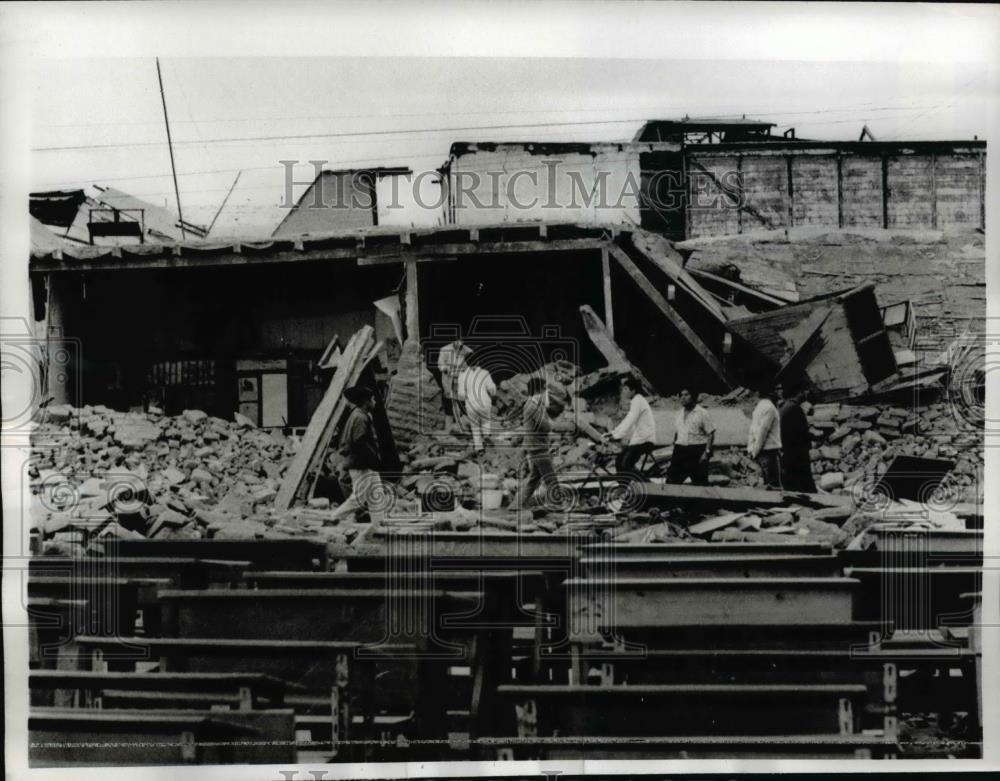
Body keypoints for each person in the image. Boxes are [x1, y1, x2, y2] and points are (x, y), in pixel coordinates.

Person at [328, 385, 384, 522]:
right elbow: (359, 441)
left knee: (377, 495)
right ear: (366, 402)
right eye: (373, 399)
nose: (375, 401)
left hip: (365, 464)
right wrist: (373, 459)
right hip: (361, 464)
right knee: (358, 499)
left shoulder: (360, 414)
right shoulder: (360, 417)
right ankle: (332, 517)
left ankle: (378, 525)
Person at [513, 376, 558, 511]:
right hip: (538, 448)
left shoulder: (532, 404)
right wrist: (553, 425)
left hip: (535, 447)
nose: (547, 393)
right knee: (551, 478)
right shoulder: (533, 406)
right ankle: (558, 503)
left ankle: (515, 505)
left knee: (534, 480)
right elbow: (546, 427)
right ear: (540, 390)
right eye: (545, 389)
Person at [608, 376, 656, 474]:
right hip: (639, 440)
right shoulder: (635, 401)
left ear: (633, 391)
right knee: (619, 462)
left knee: (626, 464)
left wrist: (616, 435)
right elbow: (627, 420)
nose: (623, 391)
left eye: (626, 389)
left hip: (644, 440)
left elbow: (630, 420)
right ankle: (624, 483)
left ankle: (645, 482)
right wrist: (613, 433)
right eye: (623, 389)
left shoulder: (638, 400)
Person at [666, 389, 715, 485]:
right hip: (679, 451)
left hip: (696, 451)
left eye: (686, 395)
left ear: (693, 397)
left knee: (700, 484)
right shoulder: (679, 413)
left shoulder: (702, 412)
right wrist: (674, 447)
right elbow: (677, 432)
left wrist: (706, 452)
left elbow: (711, 433)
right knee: (671, 482)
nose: (683, 398)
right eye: (681, 395)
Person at [780, 386, 817, 493]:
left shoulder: (785, 407)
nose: (806, 394)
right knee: (805, 486)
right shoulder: (795, 408)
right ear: (798, 393)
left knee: (792, 485)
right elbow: (802, 432)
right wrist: (813, 437)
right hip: (798, 453)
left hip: (789, 452)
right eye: (804, 391)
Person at [457, 357, 496, 456]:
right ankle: (486, 434)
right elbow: (492, 388)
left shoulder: (463, 375)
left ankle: (479, 449)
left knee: (475, 427)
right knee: (486, 420)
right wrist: (492, 395)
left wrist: (465, 398)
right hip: (484, 402)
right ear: (478, 362)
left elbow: (461, 394)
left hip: (471, 404)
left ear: (467, 363)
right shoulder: (485, 373)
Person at [748, 386, 783, 489]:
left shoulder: (758, 408)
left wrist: (752, 449)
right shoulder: (770, 408)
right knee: (774, 486)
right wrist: (755, 451)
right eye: (777, 390)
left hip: (763, 452)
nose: (780, 392)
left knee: (768, 484)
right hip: (769, 452)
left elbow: (753, 430)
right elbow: (762, 432)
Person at [436, 338, 472, 429]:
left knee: (461, 399)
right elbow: (440, 364)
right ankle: (449, 424)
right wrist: (447, 369)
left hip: (459, 379)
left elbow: (467, 359)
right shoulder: (445, 350)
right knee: (449, 400)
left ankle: (462, 422)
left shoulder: (463, 350)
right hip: (448, 379)